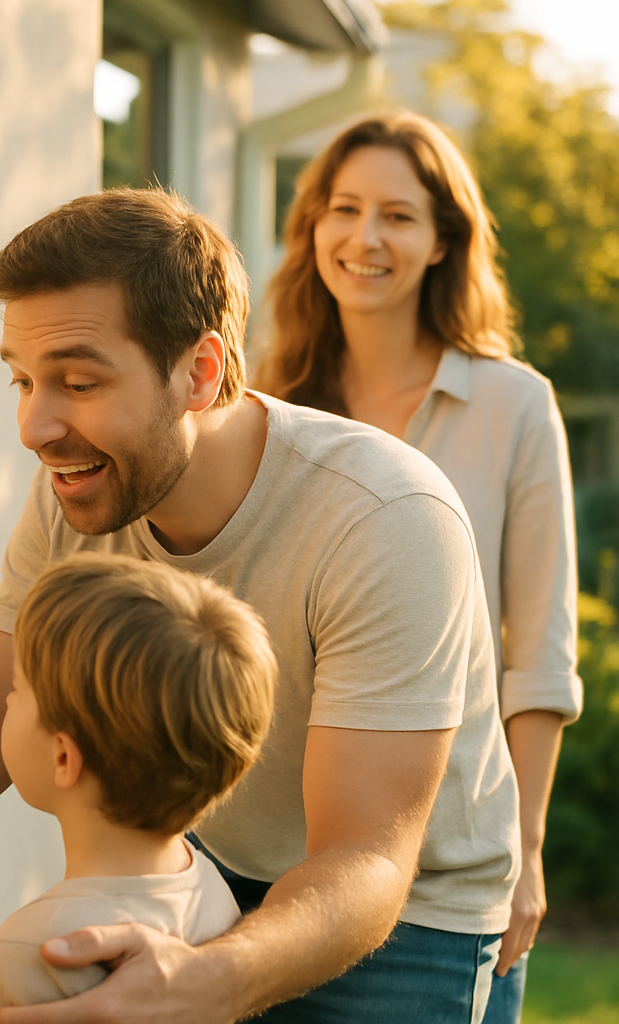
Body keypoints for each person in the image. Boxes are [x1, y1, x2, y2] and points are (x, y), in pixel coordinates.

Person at [0, 186, 520, 1024]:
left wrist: (210, 980)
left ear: (199, 372)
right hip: (208, 880)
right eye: (22, 380)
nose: (34, 426)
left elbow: (366, 857)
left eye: (77, 382)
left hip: (402, 915)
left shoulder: (384, 518)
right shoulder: (79, 496)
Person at [253, 110, 582, 1024]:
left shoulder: (515, 406)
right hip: (262, 875)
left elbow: (541, 656)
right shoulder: (265, 403)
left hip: (442, 889)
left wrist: (526, 845)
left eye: (397, 215)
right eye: (343, 208)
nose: (365, 238)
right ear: (312, 226)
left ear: (443, 240)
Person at [0, 551, 276, 1013]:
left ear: (63, 757)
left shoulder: (35, 951)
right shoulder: (208, 888)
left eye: (17, 688)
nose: (8, 700)